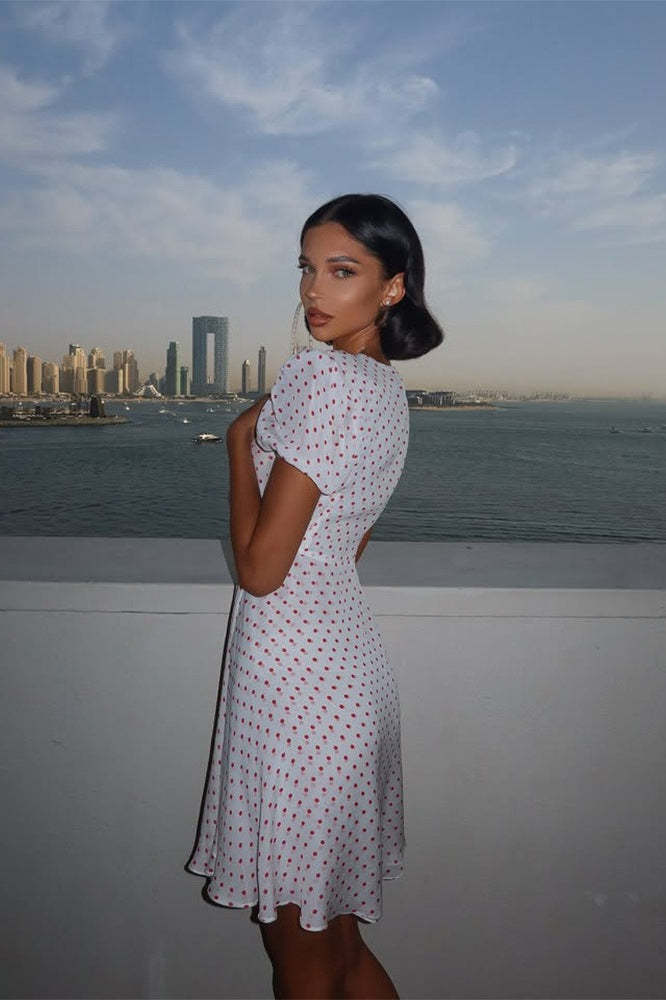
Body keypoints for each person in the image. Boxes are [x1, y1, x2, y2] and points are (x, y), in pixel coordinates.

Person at [185, 193, 444, 999]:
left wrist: (239, 445)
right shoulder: (383, 389)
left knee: (302, 963)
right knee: (339, 949)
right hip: (347, 674)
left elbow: (262, 570)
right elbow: (345, 545)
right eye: (306, 268)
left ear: (392, 287)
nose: (312, 291)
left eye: (341, 271)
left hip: (294, 692)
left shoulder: (320, 375)